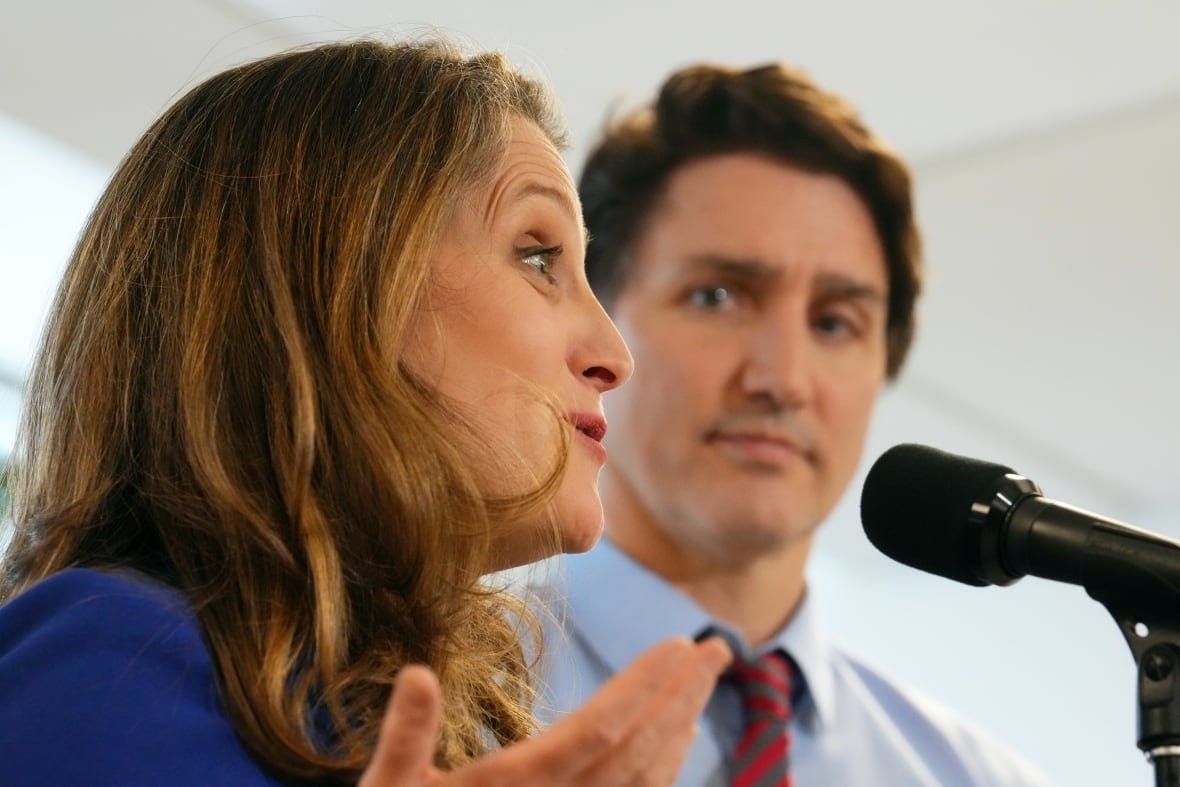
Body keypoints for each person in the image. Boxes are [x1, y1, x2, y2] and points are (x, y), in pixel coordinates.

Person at [0, 39, 732, 786]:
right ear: (331, 291)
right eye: (538, 256)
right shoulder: (108, 657)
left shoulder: (382, 720)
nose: (615, 351)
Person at [535, 61, 1055, 786]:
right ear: (595, 323)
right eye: (717, 295)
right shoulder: (401, 713)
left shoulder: (976, 778)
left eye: (835, 322)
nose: (781, 379)